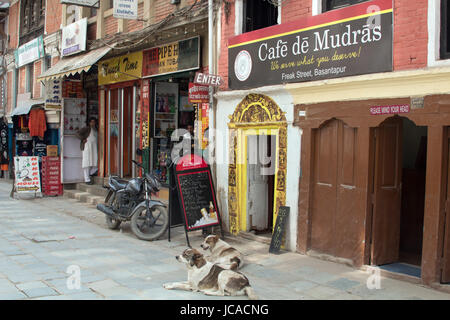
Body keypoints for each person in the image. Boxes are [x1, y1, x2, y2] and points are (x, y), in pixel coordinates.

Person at [76, 117, 98, 185]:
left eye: (94, 122)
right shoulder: (86, 128)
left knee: (95, 161)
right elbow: (77, 134)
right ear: (89, 122)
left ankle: (91, 173)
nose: (93, 123)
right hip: (87, 147)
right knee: (87, 162)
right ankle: (87, 179)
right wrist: (83, 139)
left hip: (94, 147)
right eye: (91, 122)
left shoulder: (96, 129)